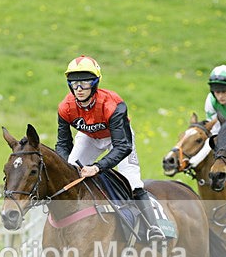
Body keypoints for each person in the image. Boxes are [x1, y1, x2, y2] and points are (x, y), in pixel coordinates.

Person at [55, 55, 165, 241]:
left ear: (96, 83)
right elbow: (63, 144)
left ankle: (154, 227)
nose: (79, 89)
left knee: (132, 181)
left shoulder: (112, 105)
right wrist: (66, 166)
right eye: (74, 83)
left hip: (118, 139)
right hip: (89, 138)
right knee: (70, 172)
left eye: (85, 82)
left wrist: (97, 167)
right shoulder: (65, 107)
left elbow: (123, 146)